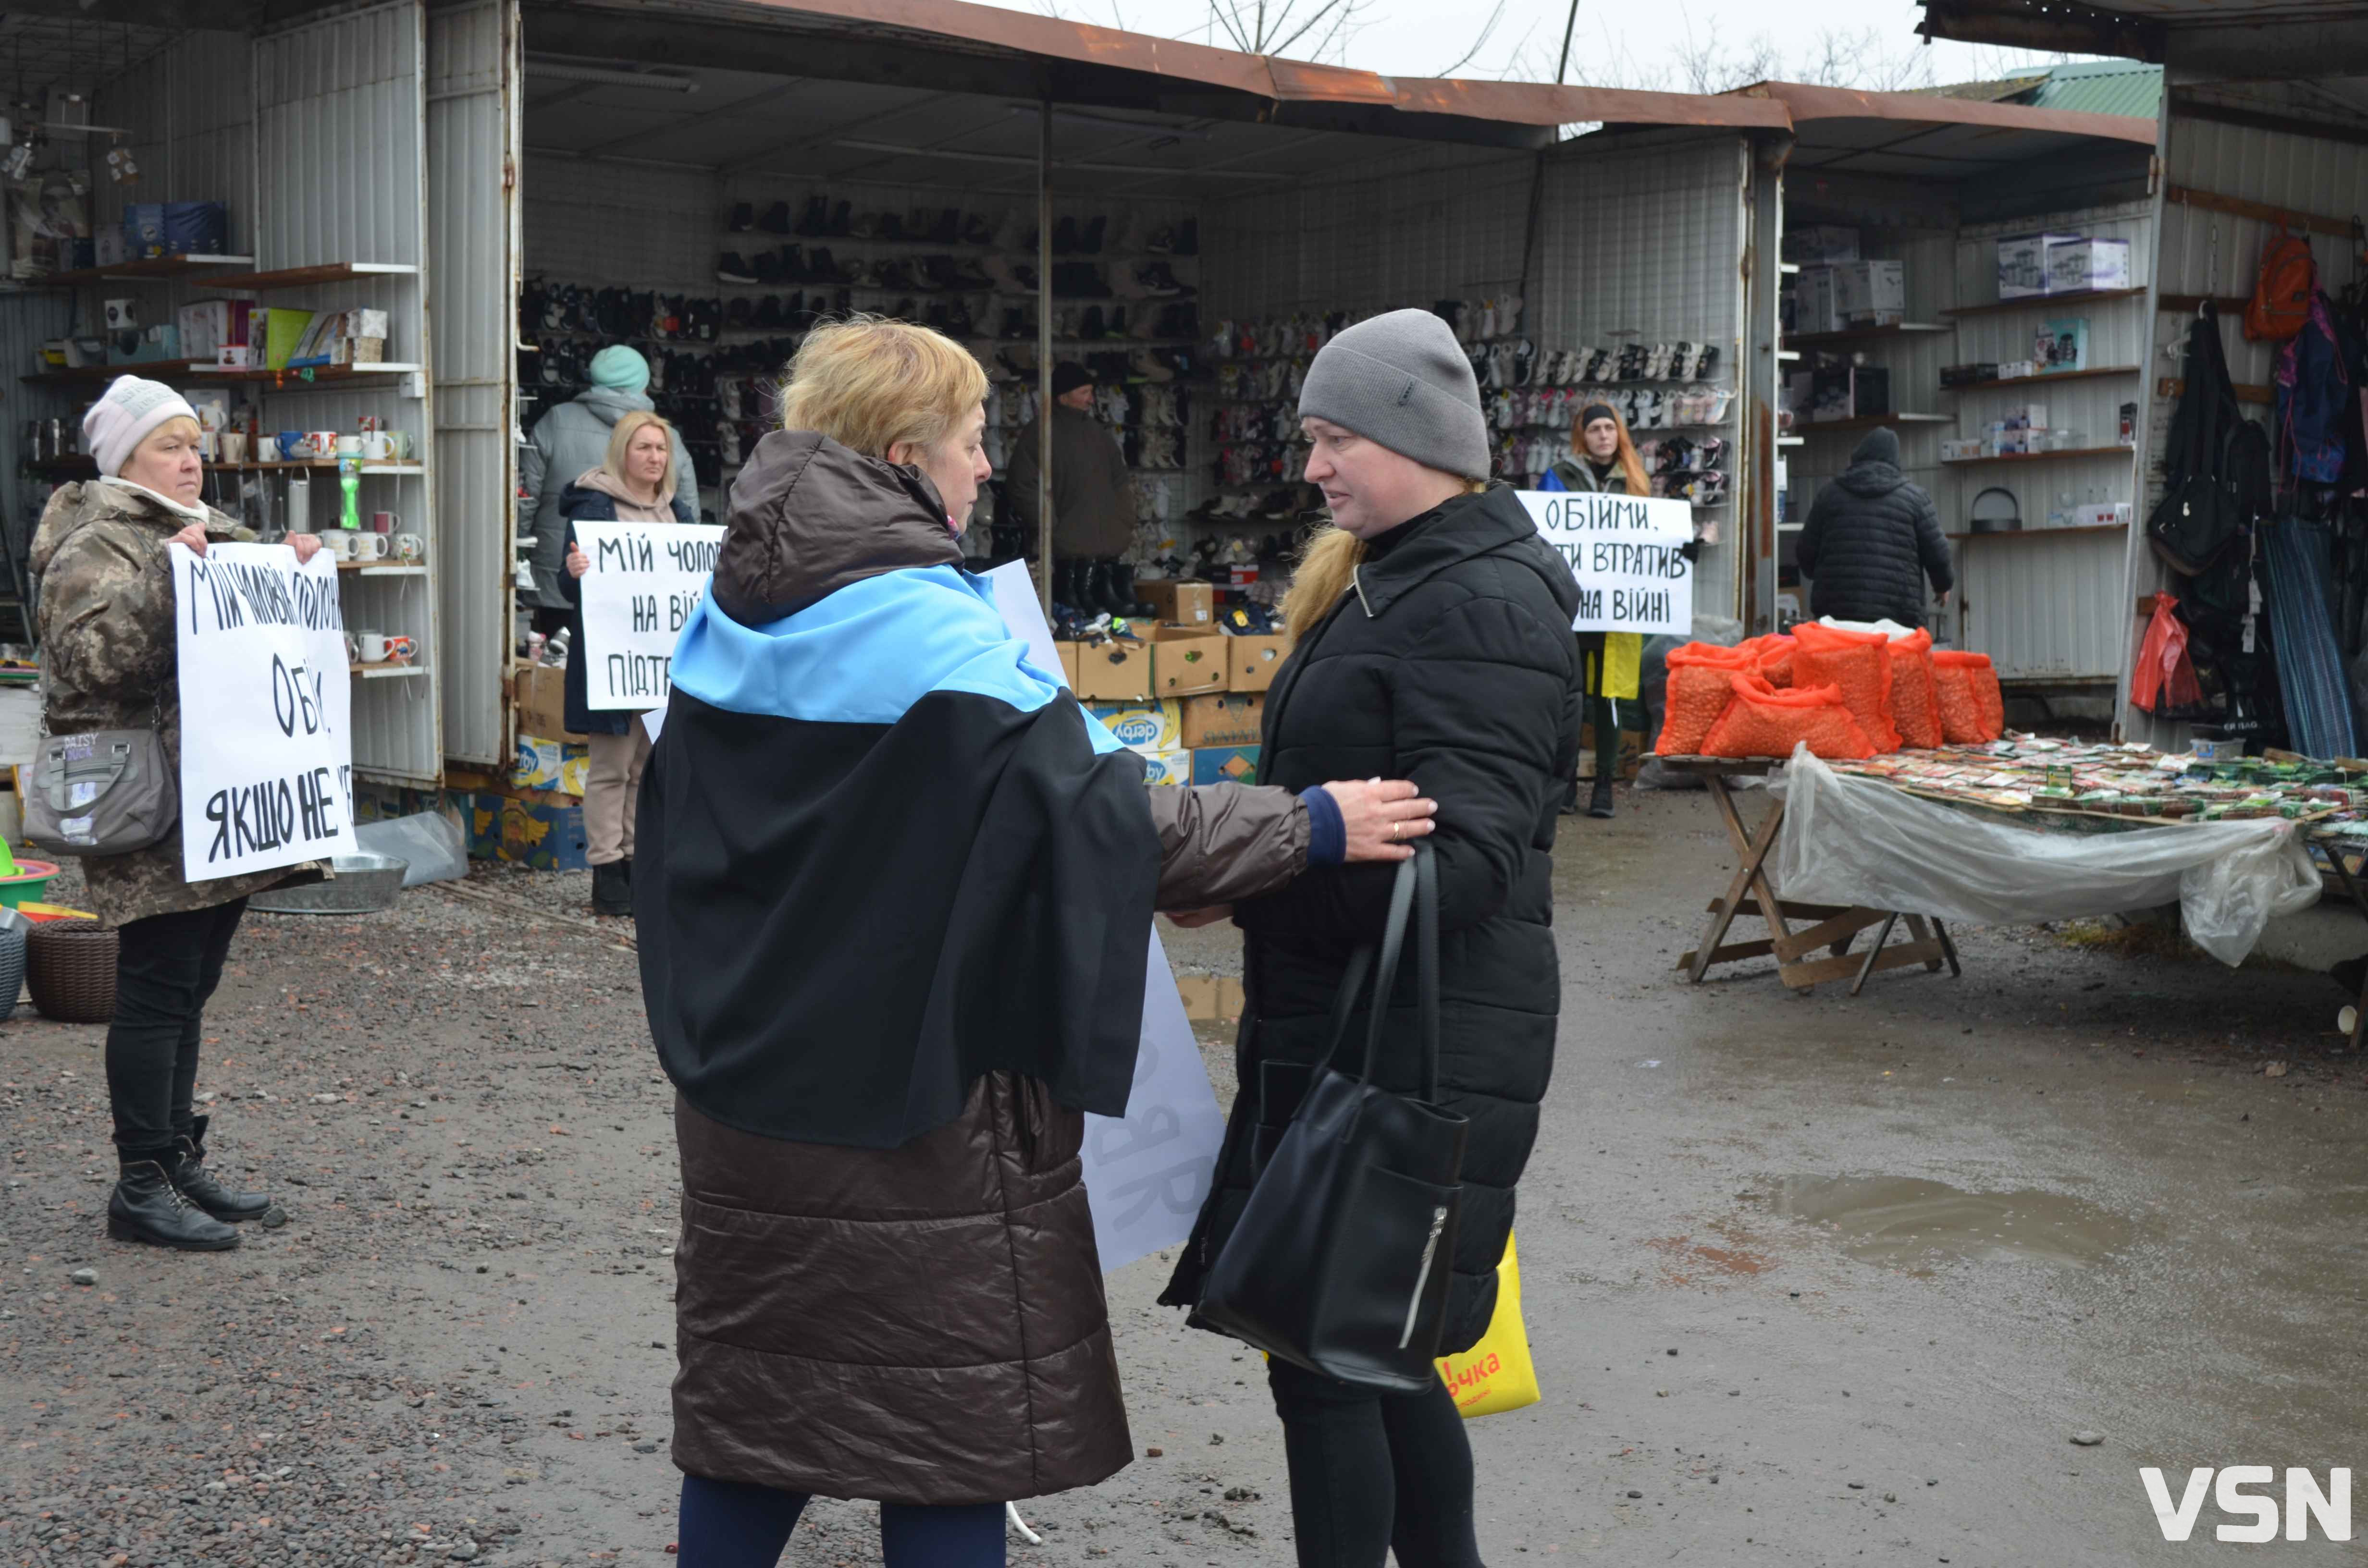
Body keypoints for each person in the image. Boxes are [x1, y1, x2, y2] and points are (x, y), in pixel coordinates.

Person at [635, 315, 1438, 1568]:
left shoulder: (733, 609)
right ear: (905, 457)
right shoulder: (930, 632)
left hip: (748, 1092)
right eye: (969, 443)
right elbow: (1110, 823)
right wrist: (1309, 825)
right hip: (919, 1107)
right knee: (950, 1429)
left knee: (758, 1405)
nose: (985, 470)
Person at [1159, 309, 1584, 1568]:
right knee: (1369, 1359)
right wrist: (1255, 869)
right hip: (1359, 1027)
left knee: (1332, 1366)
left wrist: (1276, 868)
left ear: (1415, 437)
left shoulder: (1483, 602)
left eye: (1333, 438)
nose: (1311, 467)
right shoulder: (1401, 575)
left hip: (1417, 1043)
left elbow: (1467, 865)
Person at [31, 375, 325, 1251]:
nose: (191, 457)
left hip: (216, 794)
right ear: (124, 456)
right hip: (148, 797)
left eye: (196, 442)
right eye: (169, 443)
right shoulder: (100, 540)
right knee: (157, 988)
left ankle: (173, 1155)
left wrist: (291, 572)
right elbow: (86, 660)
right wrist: (169, 580)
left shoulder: (209, 531)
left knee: (191, 983)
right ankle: (140, 1182)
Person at [559, 411, 692, 918]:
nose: (655, 458)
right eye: (644, 448)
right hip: (611, 663)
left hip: (655, 667)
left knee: (644, 768)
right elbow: (568, 586)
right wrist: (574, 573)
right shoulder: (594, 507)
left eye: (661, 449)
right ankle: (606, 869)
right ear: (623, 453)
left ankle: (636, 862)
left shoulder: (675, 511)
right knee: (610, 767)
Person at [520, 345, 700, 624]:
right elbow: (687, 511)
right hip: (645, 603)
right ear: (642, 384)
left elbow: (525, 498)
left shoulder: (555, 421)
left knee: (554, 661)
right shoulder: (665, 437)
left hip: (557, 577)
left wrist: (519, 553)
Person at [1541, 401, 1653, 819]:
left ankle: (1604, 785)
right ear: (1582, 436)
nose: (1603, 436)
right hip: (1572, 607)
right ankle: (1566, 782)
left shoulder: (1637, 480)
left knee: (1607, 698)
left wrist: (1682, 549)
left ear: (1619, 433)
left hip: (1616, 613)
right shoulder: (1559, 477)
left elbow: (1652, 539)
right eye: (1595, 430)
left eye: (1610, 428)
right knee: (1571, 697)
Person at [1003, 360, 1140, 613]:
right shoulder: (1040, 433)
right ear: (1064, 397)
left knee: (1095, 606)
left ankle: (1094, 596)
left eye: (1092, 392)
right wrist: (1048, 524)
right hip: (1063, 543)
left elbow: (1120, 479)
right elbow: (1022, 483)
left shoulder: (1098, 434)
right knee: (1070, 604)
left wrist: (1124, 519)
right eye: (1084, 393)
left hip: (1101, 541)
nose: (1092, 400)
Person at [1795, 426, 1953, 628]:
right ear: (1895, 460)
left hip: (1836, 619)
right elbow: (1938, 553)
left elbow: (1805, 552)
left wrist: (1825, 577)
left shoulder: (1829, 495)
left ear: (1860, 455)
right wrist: (1943, 586)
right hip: (1898, 618)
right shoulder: (1916, 499)